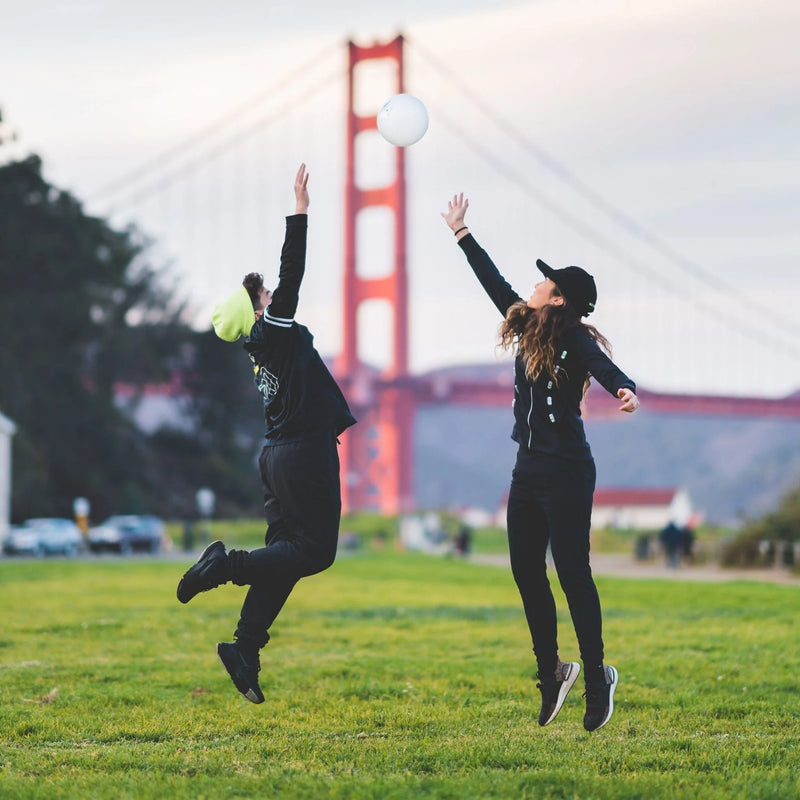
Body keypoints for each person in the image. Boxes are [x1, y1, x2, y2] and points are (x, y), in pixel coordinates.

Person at [441, 193, 640, 732]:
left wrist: (624, 388)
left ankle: (598, 677)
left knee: (573, 573)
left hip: (568, 471)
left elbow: (604, 365)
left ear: (557, 298)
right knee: (526, 569)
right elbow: (494, 282)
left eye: (542, 283)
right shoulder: (526, 324)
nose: (532, 286)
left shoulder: (573, 339)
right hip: (527, 469)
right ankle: (552, 672)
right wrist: (462, 233)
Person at [176, 164, 356, 704]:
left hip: (276, 456)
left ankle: (245, 646)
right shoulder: (272, 332)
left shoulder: (259, 349)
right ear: (257, 312)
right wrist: (299, 212)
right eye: (266, 295)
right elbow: (293, 273)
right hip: (302, 454)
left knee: (286, 554)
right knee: (316, 552)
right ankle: (223, 566)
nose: (274, 295)